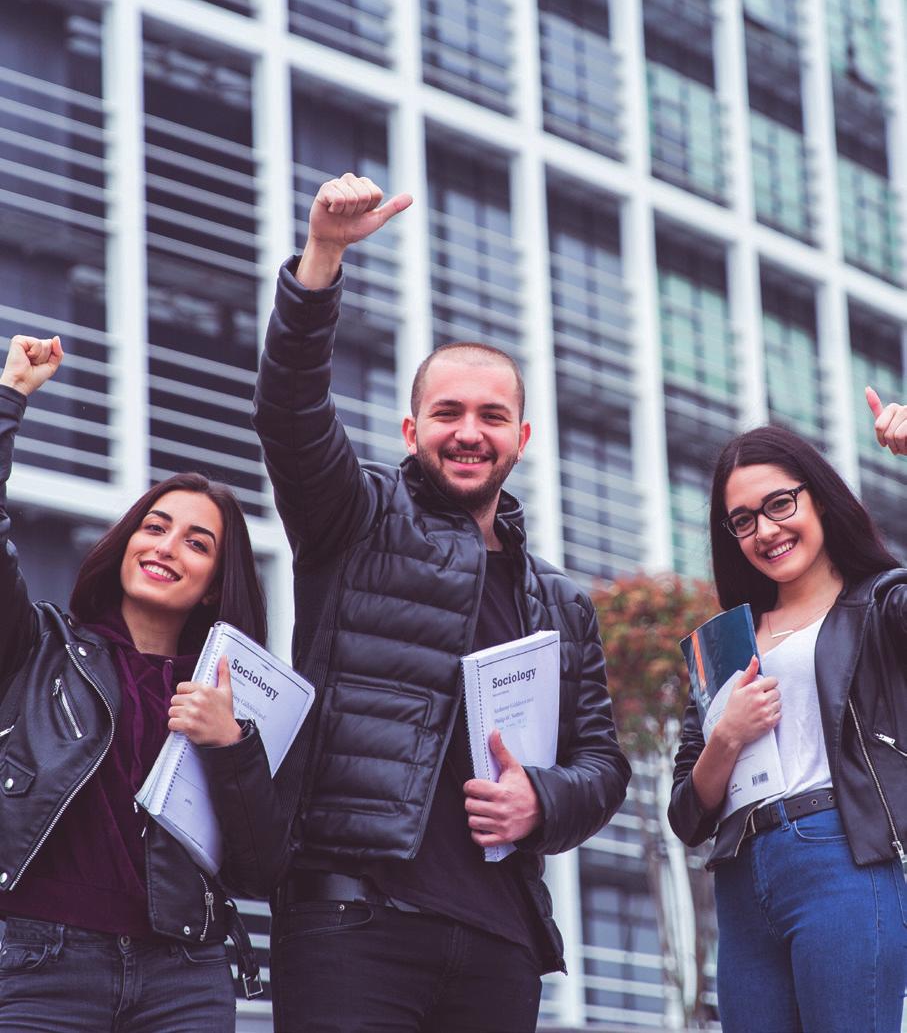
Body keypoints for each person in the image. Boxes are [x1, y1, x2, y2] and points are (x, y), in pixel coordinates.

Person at [252, 172, 631, 1033]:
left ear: (521, 440)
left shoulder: (561, 604)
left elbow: (603, 767)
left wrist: (543, 797)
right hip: (353, 922)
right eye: (447, 412)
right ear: (409, 431)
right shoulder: (354, 517)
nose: (469, 431)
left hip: (500, 943)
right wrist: (322, 260)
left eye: (492, 416)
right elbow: (288, 411)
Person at [0, 334, 290, 1032]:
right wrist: (9, 400)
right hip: (42, 963)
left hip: (183, 977)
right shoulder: (37, 646)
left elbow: (260, 870)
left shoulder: (237, 696)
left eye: (197, 541)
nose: (166, 546)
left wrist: (231, 745)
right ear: (126, 541)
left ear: (217, 587)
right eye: (154, 527)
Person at [668, 395, 907, 1033]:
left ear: (819, 498)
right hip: (742, 878)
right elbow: (686, 814)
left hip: (842, 859)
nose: (766, 531)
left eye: (780, 504)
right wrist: (727, 736)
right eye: (742, 521)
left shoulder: (884, 605)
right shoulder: (722, 645)